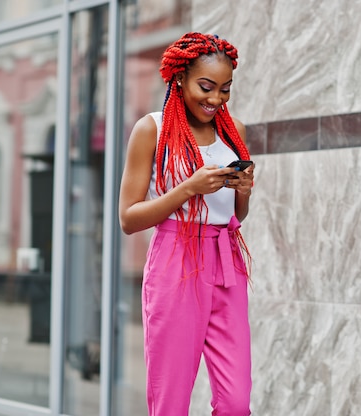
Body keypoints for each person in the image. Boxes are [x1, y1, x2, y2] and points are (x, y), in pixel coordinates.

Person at [118, 32, 255, 416]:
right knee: (171, 400)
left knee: (236, 402)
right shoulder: (152, 129)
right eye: (206, 87)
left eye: (225, 89)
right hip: (175, 260)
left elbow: (236, 215)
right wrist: (188, 189)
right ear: (179, 78)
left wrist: (243, 190)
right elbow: (128, 218)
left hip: (227, 261)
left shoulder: (235, 132)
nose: (216, 100)